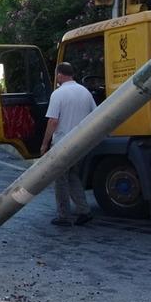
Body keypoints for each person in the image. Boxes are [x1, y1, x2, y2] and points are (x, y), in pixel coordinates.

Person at [40, 62, 97, 226]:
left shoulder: (58, 94)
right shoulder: (85, 92)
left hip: (62, 144)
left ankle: (64, 215)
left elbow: (53, 121)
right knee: (73, 177)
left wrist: (44, 144)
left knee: (60, 180)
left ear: (59, 75)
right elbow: (94, 114)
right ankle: (84, 210)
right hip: (80, 143)